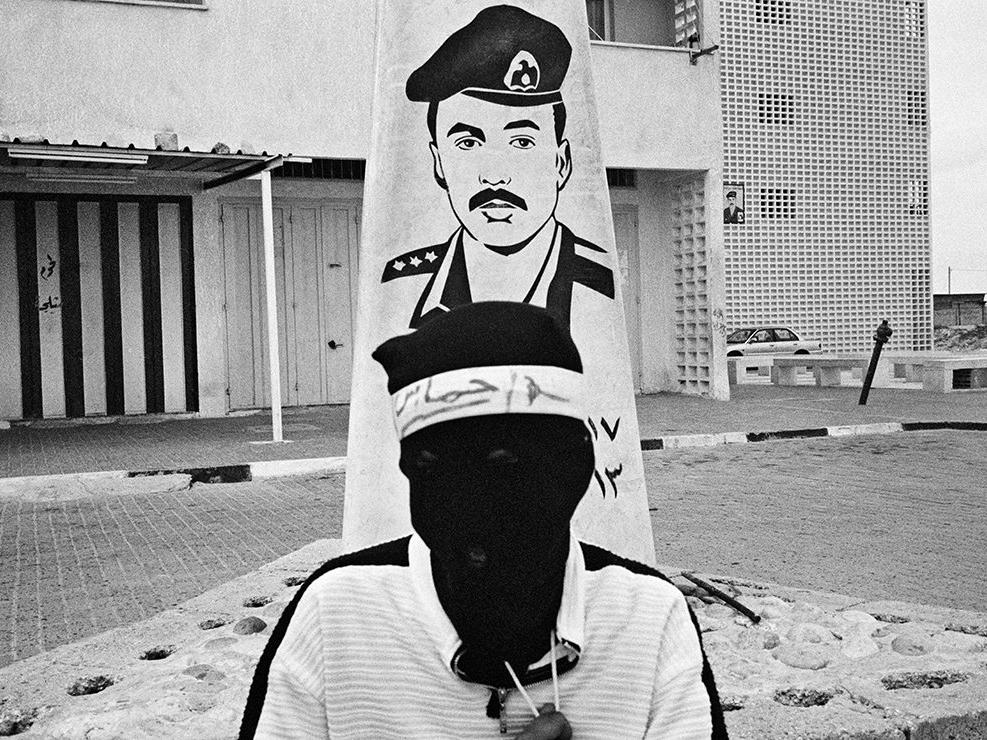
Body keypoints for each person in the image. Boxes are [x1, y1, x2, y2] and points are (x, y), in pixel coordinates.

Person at [239, 302, 728, 740]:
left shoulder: (647, 618)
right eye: (431, 469)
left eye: (503, 466)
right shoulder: (338, 612)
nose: (465, 506)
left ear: (577, 466)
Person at [381, 6, 615, 331]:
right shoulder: (403, 283)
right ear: (439, 163)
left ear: (561, 162)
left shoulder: (600, 286)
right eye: (467, 143)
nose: (494, 176)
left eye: (522, 142)